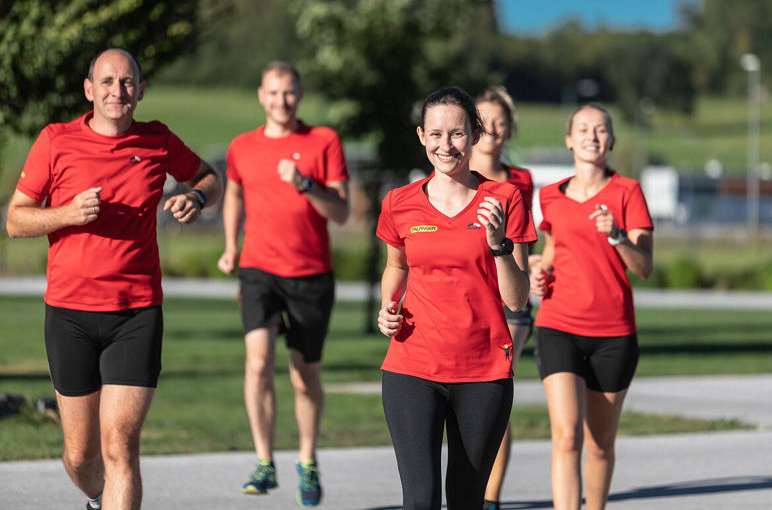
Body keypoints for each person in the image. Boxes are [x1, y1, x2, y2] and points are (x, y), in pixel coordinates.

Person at [5, 48, 221, 510]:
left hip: (136, 313)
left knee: (119, 443)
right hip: (69, 314)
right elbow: (16, 220)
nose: (116, 91)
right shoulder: (55, 140)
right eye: (106, 82)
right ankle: (101, 498)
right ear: (89, 90)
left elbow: (208, 176)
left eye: (126, 83)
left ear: (140, 92)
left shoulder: (158, 140)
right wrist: (66, 213)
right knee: (81, 456)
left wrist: (197, 199)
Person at [376, 87, 536, 510]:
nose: (445, 145)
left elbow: (517, 300)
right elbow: (396, 267)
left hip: (483, 373)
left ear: (475, 134)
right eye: (436, 134)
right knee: (421, 500)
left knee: (466, 501)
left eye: (457, 134)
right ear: (421, 136)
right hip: (412, 367)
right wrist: (386, 308)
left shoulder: (505, 199)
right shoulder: (399, 203)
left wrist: (499, 244)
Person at [216, 61, 349, 507]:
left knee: (304, 376)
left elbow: (342, 212)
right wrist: (231, 245)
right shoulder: (242, 147)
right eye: (273, 93)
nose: (281, 101)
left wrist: (306, 183)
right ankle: (264, 460)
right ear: (260, 95)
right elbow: (233, 193)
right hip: (258, 269)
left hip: (311, 274)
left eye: (289, 93)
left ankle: (307, 460)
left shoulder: (323, 141)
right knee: (257, 363)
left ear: (300, 95)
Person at [530, 103, 653, 510]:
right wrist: (537, 271)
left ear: (612, 140)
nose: (592, 136)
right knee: (566, 437)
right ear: (568, 139)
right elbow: (552, 250)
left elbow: (645, 267)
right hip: (557, 324)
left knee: (599, 445)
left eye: (601, 130)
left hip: (613, 334)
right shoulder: (550, 196)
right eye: (582, 129)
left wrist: (618, 235)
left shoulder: (627, 192)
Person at [469, 86, 535, 510]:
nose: (493, 129)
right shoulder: (454, 175)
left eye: (500, 121)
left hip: (509, 306)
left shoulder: (521, 182)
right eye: (484, 121)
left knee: (495, 399)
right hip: (464, 301)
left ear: (510, 128)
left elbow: (527, 242)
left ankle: (490, 498)